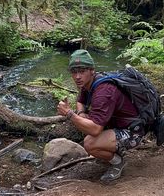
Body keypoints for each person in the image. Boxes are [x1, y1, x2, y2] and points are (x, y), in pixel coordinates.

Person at [57, 49, 144, 183]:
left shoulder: (103, 91)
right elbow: (80, 101)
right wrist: (81, 113)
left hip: (133, 132)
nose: (77, 76)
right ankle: (111, 149)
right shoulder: (89, 83)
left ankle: (118, 162)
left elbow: (95, 129)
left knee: (90, 144)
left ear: (92, 70)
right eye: (74, 72)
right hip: (117, 125)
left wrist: (70, 114)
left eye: (82, 71)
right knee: (84, 122)